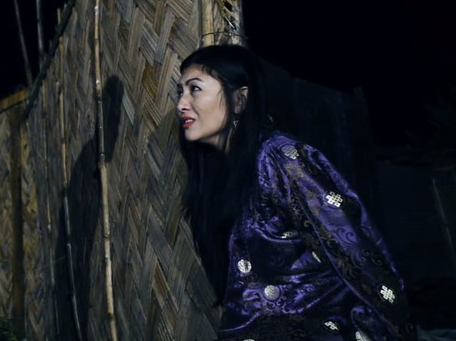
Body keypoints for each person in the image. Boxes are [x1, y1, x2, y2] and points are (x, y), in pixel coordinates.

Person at [174, 44, 415, 340]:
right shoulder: (221, 177)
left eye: (195, 89)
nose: (181, 104)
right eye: (179, 92)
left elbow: (353, 250)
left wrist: (391, 328)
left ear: (239, 100)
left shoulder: (282, 158)